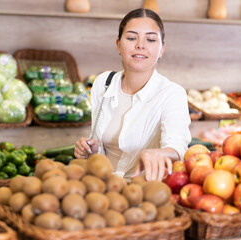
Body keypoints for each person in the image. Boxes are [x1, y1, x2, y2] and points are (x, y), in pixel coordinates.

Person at [74, 8, 191, 182]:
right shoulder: (103, 83)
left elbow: (177, 148)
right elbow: (98, 142)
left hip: (143, 192)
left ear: (161, 50)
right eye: (131, 38)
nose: (140, 45)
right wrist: (92, 149)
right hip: (102, 187)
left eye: (150, 39)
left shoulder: (172, 94)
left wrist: (157, 153)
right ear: (118, 45)